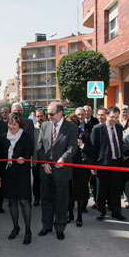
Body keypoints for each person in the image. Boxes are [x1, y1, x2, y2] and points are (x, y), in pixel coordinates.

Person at [37, 102, 78, 240]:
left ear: (61, 113)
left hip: (62, 170)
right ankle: (46, 226)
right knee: (46, 199)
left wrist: (63, 159)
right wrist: (44, 163)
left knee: (61, 200)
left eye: (51, 114)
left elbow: (72, 147)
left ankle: (60, 227)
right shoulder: (44, 125)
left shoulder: (71, 127)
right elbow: (39, 147)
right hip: (46, 170)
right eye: (48, 113)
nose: (49, 116)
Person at [0, 113, 33, 244]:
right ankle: (15, 227)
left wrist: (24, 158)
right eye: (10, 124)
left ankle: (28, 231)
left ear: (20, 125)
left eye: (15, 124)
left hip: (22, 173)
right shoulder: (3, 137)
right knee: (12, 201)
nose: (12, 127)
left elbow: (29, 153)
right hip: (8, 173)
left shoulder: (26, 136)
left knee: (24, 201)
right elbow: (0, 158)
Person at [90, 106, 127, 221]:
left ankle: (116, 212)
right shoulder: (97, 129)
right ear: (106, 115)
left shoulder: (119, 128)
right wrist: (93, 166)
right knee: (101, 190)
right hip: (103, 164)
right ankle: (101, 212)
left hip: (117, 164)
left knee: (116, 190)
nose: (114, 120)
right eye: (112, 117)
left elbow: (120, 143)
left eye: (116, 117)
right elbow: (93, 149)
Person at [65, 114, 94, 227]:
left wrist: (82, 145)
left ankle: (79, 217)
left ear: (75, 123)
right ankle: (70, 214)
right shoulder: (64, 135)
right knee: (69, 194)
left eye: (70, 122)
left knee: (80, 194)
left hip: (80, 169)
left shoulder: (84, 135)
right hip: (67, 168)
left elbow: (91, 151)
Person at [32, 108, 46, 206]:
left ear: (44, 116)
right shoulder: (33, 128)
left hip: (48, 160)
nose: (39, 118)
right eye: (37, 116)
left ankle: (46, 199)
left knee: (46, 182)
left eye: (41, 116)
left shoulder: (50, 127)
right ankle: (36, 199)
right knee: (36, 181)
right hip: (36, 160)